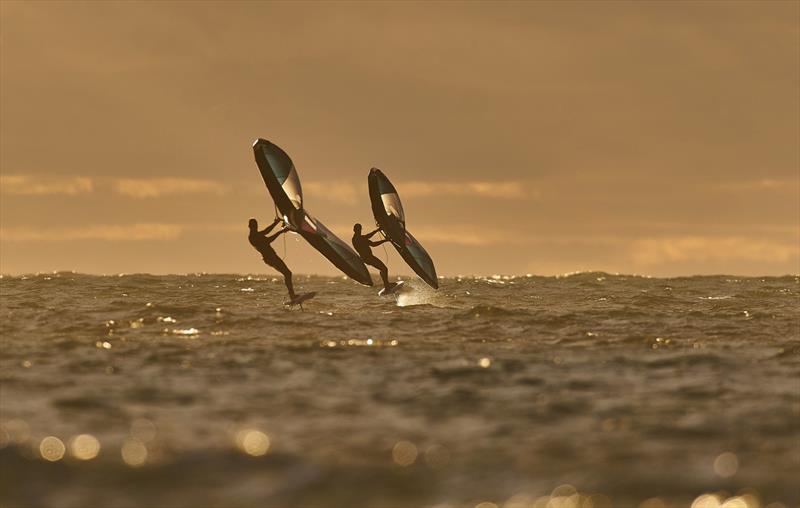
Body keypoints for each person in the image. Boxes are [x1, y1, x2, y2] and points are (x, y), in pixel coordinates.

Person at [248, 218, 295, 299]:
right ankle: (292, 296)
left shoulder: (257, 234)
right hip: (270, 258)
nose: (256, 227)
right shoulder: (253, 237)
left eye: (256, 225)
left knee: (287, 273)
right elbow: (269, 240)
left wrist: (275, 223)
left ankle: (292, 295)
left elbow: (267, 231)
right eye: (254, 226)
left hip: (272, 257)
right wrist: (280, 232)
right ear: (250, 226)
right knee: (287, 273)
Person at [352, 223, 395, 292]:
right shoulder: (359, 239)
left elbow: (368, 236)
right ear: (355, 230)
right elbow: (373, 244)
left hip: (367, 258)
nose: (360, 231)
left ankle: (386, 284)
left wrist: (377, 230)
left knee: (382, 269)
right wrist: (385, 240)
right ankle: (387, 286)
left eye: (360, 229)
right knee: (384, 269)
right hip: (369, 258)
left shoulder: (355, 238)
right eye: (359, 229)